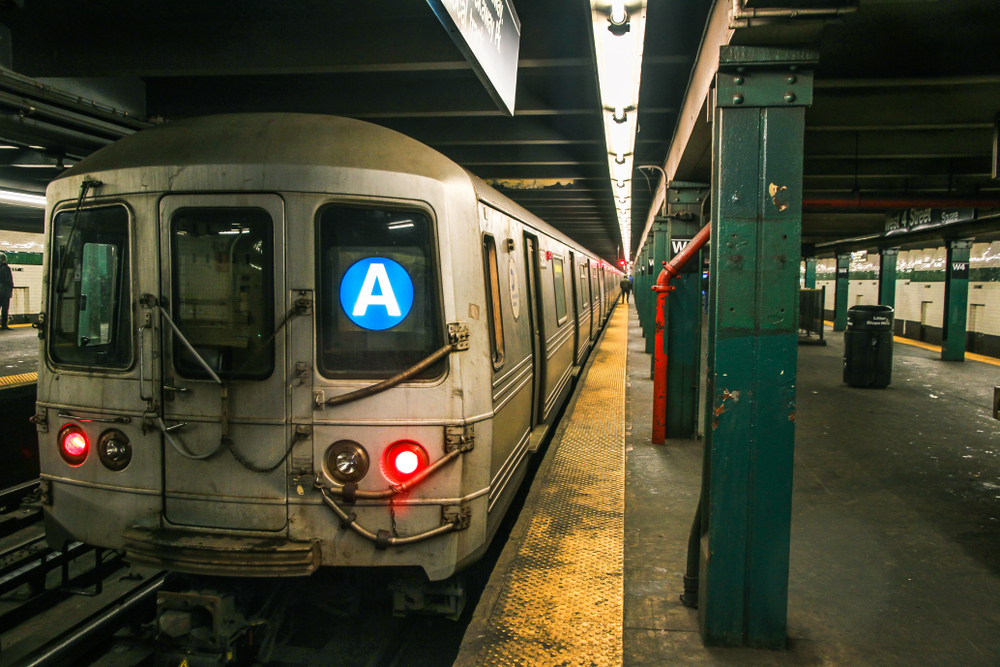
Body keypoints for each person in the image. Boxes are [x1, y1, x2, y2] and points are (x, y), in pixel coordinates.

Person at [0, 253, 12, 330]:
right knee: (4, 308)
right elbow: (8, 280)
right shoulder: (6, 268)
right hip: (4, 291)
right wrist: (11, 288)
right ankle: (4, 325)